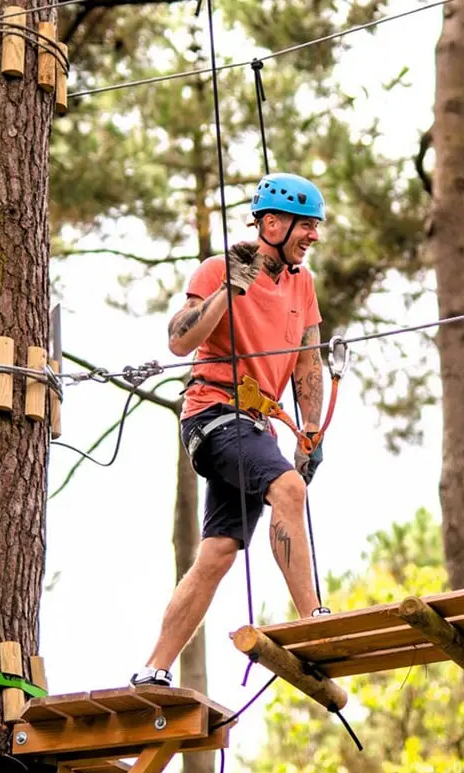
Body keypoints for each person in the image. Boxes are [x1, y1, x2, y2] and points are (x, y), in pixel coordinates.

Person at [131, 173, 330, 688]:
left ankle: (152, 668)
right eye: (306, 226)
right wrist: (226, 292)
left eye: (315, 226)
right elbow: (179, 341)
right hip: (213, 413)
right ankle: (314, 620)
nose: (313, 236)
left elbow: (308, 361)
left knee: (218, 552)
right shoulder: (221, 268)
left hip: (253, 422)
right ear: (271, 223)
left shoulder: (301, 285)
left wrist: (310, 430)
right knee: (288, 487)